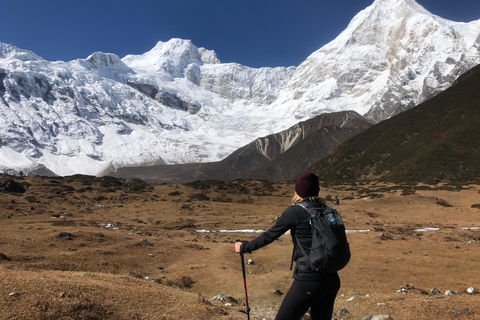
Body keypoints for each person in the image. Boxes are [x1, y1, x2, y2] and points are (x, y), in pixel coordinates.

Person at [235, 172, 341, 320]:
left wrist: (244, 247)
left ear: (298, 191)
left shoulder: (295, 211)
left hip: (308, 279)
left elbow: (270, 235)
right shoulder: (329, 210)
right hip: (332, 279)